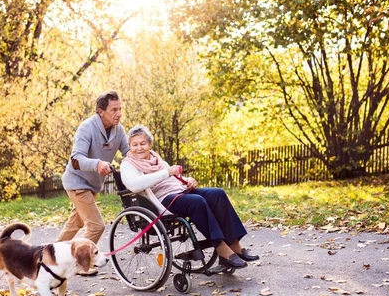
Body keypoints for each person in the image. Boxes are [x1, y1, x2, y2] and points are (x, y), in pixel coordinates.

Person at [120, 125, 259, 269]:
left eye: (143, 143)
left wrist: (188, 180)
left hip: (180, 191)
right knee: (196, 202)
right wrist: (166, 172)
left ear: (149, 144)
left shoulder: (157, 159)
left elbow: (174, 178)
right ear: (129, 146)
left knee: (217, 194)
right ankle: (222, 249)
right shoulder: (128, 165)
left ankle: (234, 244)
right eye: (134, 145)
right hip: (161, 201)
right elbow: (135, 186)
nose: (139, 148)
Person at [58, 91, 130, 256]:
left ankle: (51, 256)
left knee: (75, 224)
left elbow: (128, 153)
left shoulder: (119, 130)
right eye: (114, 110)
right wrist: (96, 164)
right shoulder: (87, 128)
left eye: (120, 109)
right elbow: (76, 160)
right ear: (101, 111)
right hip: (77, 183)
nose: (118, 114)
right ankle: (80, 260)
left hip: (93, 185)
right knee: (97, 226)